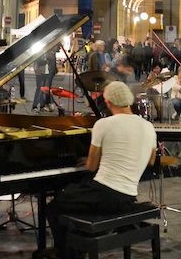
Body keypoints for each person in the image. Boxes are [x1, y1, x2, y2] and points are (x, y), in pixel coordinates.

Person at [46, 81, 157, 256]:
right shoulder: (148, 126)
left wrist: (98, 158)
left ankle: (65, 253)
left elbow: (91, 166)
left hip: (104, 195)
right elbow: (151, 160)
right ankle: (78, 245)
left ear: (108, 102)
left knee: (54, 207)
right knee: (74, 197)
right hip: (128, 197)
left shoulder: (103, 124)